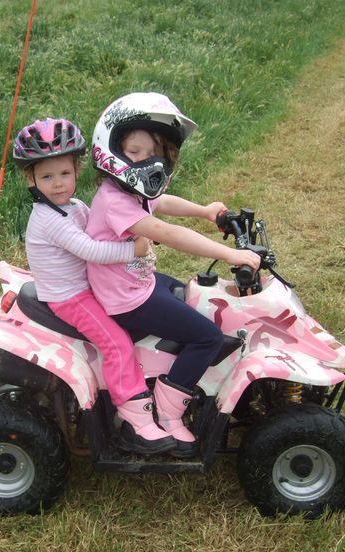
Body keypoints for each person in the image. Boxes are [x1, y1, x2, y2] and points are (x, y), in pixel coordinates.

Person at [85, 92, 261, 457]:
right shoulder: (114, 201)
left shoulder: (129, 190)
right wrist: (230, 253)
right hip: (126, 301)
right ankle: (167, 412)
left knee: (190, 295)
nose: (144, 161)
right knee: (207, 337)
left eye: (153, 155)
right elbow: (169, 234)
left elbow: (162, 201)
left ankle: (169, 378)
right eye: (134, 152)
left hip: (138, 284)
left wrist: (205, 210)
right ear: (112, 149)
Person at [13, 117, 175, 454]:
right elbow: (91, 249)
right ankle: (136, 418)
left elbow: (97, 232)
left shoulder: (74, 207)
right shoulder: (47, 218)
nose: (58, 184)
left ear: (77, 170)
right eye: (46, 176)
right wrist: (133, 249)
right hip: (70, 297)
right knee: (116, 343)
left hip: (86, 287)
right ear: (29, 178)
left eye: (65, 174)